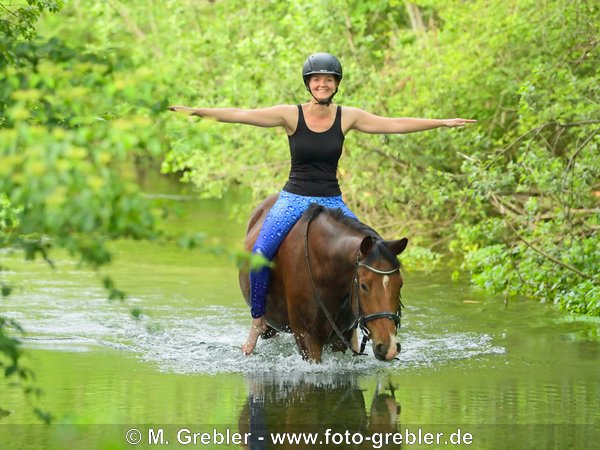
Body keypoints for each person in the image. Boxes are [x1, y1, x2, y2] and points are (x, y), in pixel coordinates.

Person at [168, 52, 476, 355]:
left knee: (373, 251)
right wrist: (197, 112)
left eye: (328, 80)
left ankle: (354, 326)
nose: (322, 84)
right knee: (261, 254)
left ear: (336, 84)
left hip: (332, 200)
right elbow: (242, 114)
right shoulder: (290, 115)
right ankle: (258, 321)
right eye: (317, 80)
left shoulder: (347, 116)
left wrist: (442, 122)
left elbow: (393, 123)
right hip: (293, 198)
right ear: (308, 83)